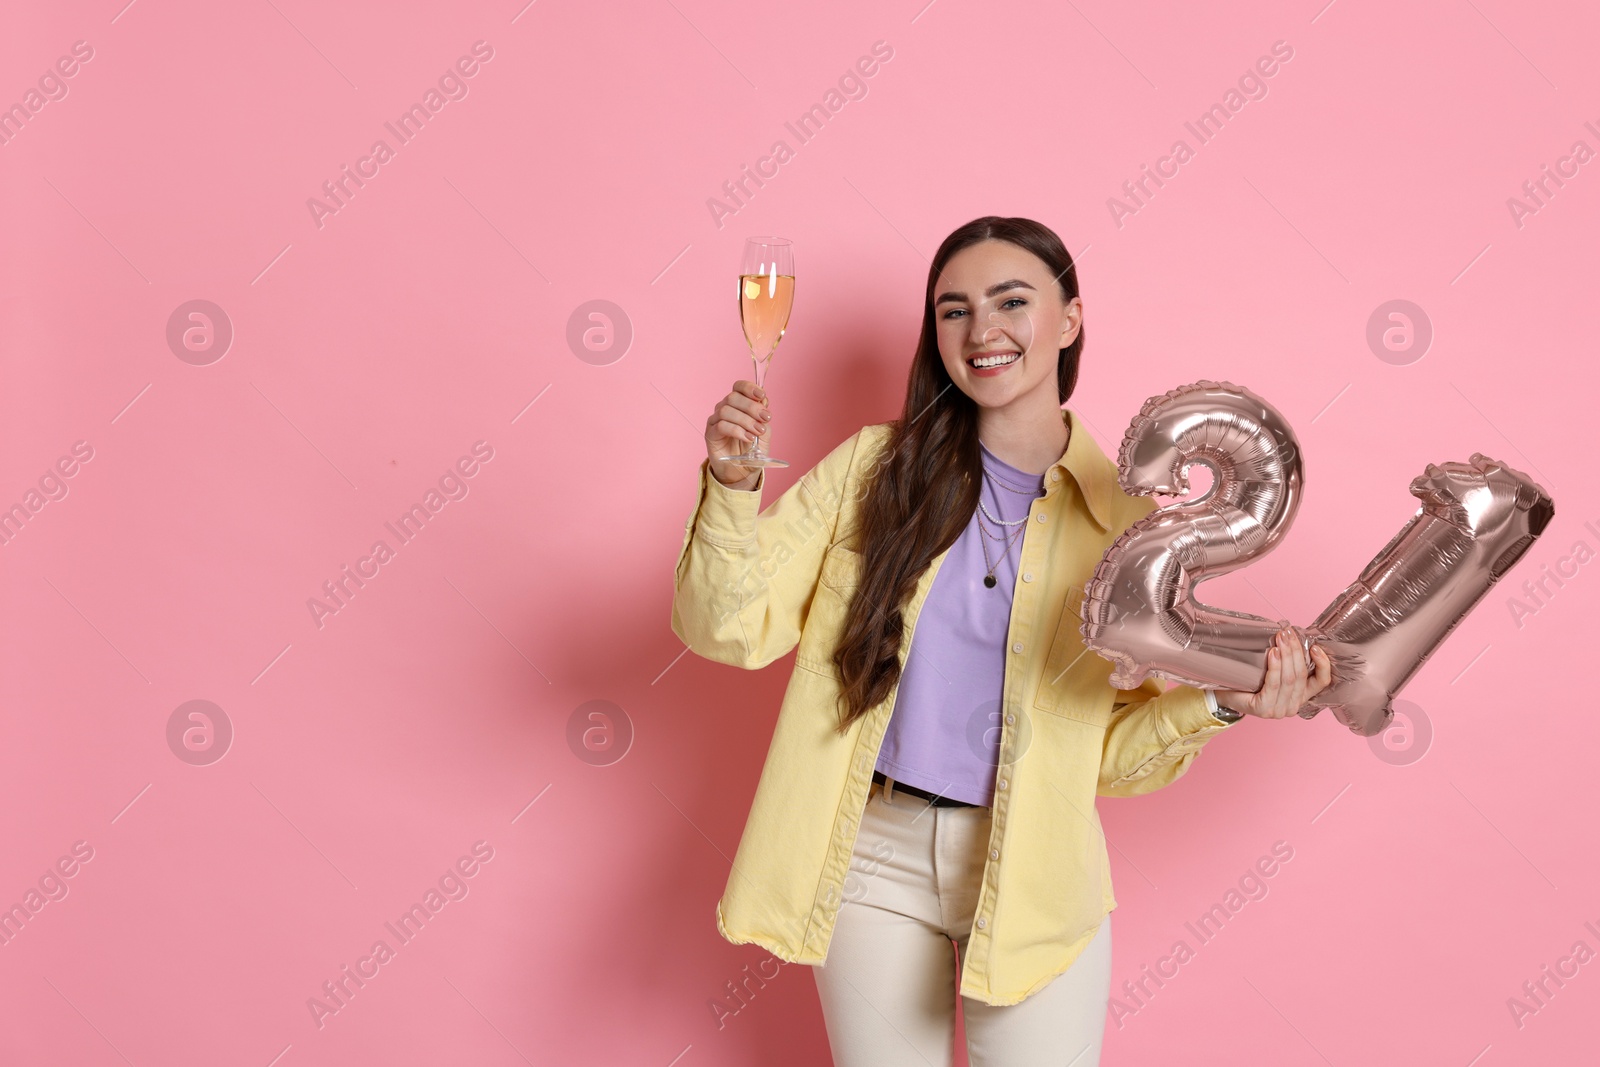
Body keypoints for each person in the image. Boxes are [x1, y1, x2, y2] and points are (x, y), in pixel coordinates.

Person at [671, 216, 1331, 1067]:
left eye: (1011, 301)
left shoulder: (1126, 529)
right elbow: (722, 625)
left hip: (1034, 869)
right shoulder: (877, 469)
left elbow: (1106, 759)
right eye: (954, 310)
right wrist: (731, 483)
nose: (981, 330)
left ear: (1070, 319)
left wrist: (1217, 704)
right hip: (872, 856)